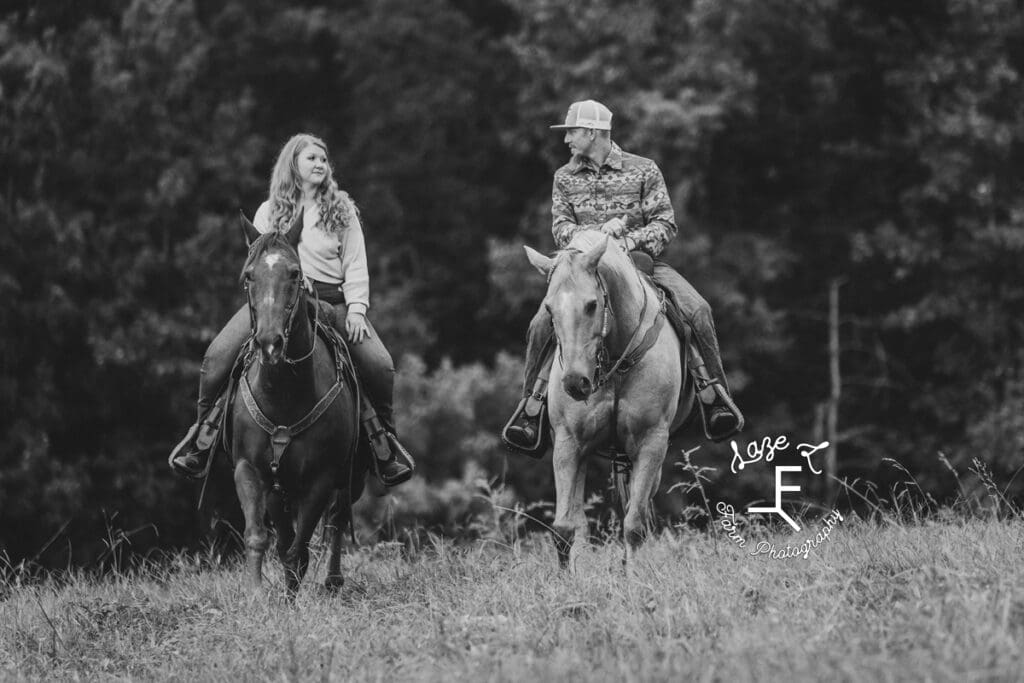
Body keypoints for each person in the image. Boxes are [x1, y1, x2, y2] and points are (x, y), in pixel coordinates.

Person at [169, 133, 414, 486]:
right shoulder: (268, 212)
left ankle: (384, 444)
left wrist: (358, 309)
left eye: (324, 159)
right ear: (293, 165)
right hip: (278, 303)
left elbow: (356, 263)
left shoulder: (342, 210)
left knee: (380, 364)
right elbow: (260, 267)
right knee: (216, 356)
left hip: (333, 302)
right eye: (312, 158)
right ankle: (201, 438)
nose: (320, 164)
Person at [502, 100, 744, 455]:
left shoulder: (644, 170)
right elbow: (562, 231)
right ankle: (531, 407)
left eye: (571, 131)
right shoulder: (564, 178)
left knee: (697, 309)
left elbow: (664, 224)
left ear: (593, 132)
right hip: (583, 271)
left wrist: (625, 241)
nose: (567, 139)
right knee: (541, 324)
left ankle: (715, 398)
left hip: (641, 264)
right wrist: (603, 234)